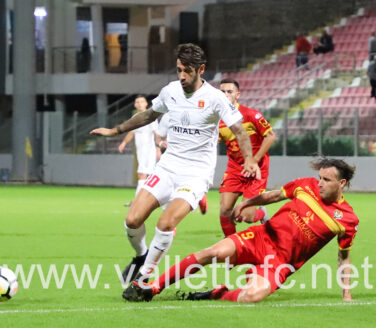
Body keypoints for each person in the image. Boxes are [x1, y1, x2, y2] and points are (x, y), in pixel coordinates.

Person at [90, 43, 261, 299]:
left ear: (201, 70)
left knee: (166, 222)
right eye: (179, 69)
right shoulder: (171, 91)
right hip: (168, 166)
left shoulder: (215, 98)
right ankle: (141, 256)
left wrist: (249, 159)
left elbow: (239, 130)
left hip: (195, 174)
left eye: (187, 71)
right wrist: (116, 131)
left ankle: (144, 279)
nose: (181, 76)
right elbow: (148, 115)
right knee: (132, 220)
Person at [124, 158, 358, 304]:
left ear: (342, 184)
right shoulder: (305, 185)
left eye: (326, 180)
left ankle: (217, 293)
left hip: (280, 263)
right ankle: (152, 287)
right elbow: (274, 195)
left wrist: (346, 294)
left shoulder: (347, 220)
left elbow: (343, 257)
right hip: (261, 237)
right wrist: (248, 203)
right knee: (211, 252)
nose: (319, 183)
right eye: (320, 178)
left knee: (251, 297)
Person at [218, 78, 275, 237]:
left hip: (257, 168)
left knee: (247, 217)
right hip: (235, 168)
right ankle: (230, 248)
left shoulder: (251, 115)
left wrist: (254, 161)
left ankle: (261, 214)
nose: (225, 95)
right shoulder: (217, 120)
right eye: (222, 92)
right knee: (224, 210)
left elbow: (270, 136)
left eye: (229, 91)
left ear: (238, 95)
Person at [118, 95, 159, 198]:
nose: (139, 104)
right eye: (137, 102)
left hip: (148, 151)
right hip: (140, 151)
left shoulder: (150, 116)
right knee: (144, 175)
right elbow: (132, 132)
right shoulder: (135, 117)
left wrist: (158, 148)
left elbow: (156, 133)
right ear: (135, 105)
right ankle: (144, 199)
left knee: (142, 175)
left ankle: (138, 200)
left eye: (141, 101)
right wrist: (124, 143)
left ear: (146, 103)